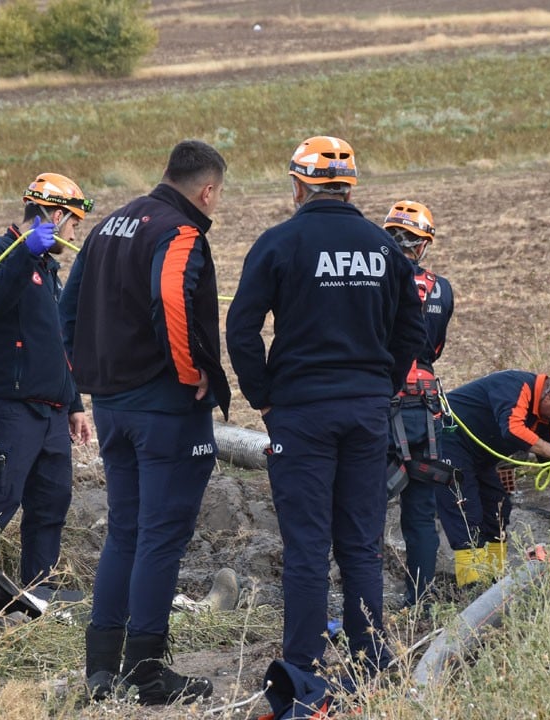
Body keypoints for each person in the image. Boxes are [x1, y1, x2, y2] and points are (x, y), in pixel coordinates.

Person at [226, 136, 426, 678]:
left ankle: (303, 668)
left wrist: (263, 397)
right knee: (361, 543)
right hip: (366, 412)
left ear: (299, 186)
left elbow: (241, 329)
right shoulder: (385, 249)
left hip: (301, 412)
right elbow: (412, 331)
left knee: (308, 546)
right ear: (349, 189)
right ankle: (370, 659)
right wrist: (381, 387)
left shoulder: (279, 243)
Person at [60, 140, 229, 706]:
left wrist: (85, 378)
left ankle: (101, 668)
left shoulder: (108, 225)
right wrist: (193, 371)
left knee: (125, 531)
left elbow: (67, 308)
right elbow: (171, 300)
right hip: (164, 409)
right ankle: (147, 673)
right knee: (161, 537)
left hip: (112, 405)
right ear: (207, 190)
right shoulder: (180, 231)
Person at [0, 173, 93, 598]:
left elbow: (58, 344)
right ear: (54, 215)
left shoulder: (49, 270)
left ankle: (39, 594)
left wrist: (74, 403)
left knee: (51, 504)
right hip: (8, 407)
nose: (74, 233)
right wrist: (24, 254)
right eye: (73, 222)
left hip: (52, 412)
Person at [435, 365, 550, 588]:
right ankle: (473, 592)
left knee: (498, 509)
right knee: (466, 515)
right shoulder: (515, 387)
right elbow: (512, 429)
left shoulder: (544, 419)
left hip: (477, 457)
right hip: (448, 441)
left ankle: (495, 587)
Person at [381, 200, 455, 610]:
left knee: (368, 504)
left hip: (382, 399)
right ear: (422, 245)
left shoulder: (375, 278)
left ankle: (365, 600)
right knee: (421, 511)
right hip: (425, 407)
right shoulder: (441, 289)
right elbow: (435, 348)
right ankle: (420, 601)